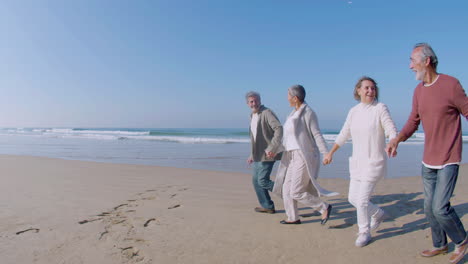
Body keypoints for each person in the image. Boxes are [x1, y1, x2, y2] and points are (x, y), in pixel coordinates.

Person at [386, 43, 467, 264]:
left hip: (449, 157)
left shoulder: (451, 85)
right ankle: (440, 245)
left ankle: (462, 242)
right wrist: (398, 139)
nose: (410, 66)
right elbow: (414, 120)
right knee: (428, 208)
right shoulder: (419, 91)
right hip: (428, 159)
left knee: (440, 208)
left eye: (413, 61)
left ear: (427, 61)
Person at [323, 76, 397, 247]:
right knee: (352, 199)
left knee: (362, 200)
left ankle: (364, 232)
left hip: (374, 162)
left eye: (373, 88)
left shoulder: (380, 108)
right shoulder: (353, 111)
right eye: (366, 88)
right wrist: (330, 153)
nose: (370, 91)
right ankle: (378, 213)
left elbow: (390, 127)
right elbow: (343, 134)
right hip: (357, 163)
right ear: (358, 90)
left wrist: (392, 141)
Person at [273, 85, 338, 225]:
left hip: (303, 156)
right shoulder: (291, 114)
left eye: (288, 95)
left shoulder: (308, 113)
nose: (287, 98)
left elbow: (317, 134)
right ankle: (292, 217)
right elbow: (288, 138)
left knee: (296, 191)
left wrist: (326, 153)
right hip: (291, 156)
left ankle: (324, 207)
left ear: (295, 98)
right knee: (286, 189)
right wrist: (275, 150)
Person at [246, 91, 283, 214]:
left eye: (256, 100)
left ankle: (288, 192)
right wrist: (252, 154)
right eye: (251, 101)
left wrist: (272, 148)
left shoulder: (267, 113)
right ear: (248, 104)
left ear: (260, 101)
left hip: (268, 154)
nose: (254, 103)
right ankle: (267, 206)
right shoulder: (252, 116)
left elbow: (278, 128)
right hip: (258, 154)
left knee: (262, 180)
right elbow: (255, 137)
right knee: (256, 181)